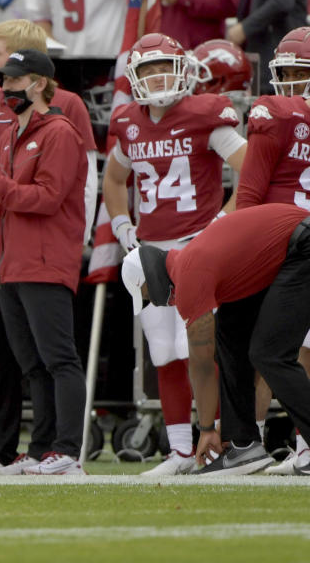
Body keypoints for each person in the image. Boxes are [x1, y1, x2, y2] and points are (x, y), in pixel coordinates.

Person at [0, 18, 98, 476]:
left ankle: (68, 450)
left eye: (13, 79)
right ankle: (40, 450)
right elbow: (7, 200)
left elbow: (49, 198)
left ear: (38, 84)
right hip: (8, 261)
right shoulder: (16, 133)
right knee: (31, 362)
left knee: (58, 358)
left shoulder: (57, 131)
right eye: (2, 79)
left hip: (42, 258)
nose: (4, 87)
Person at [103, 33, 246, 475]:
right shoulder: (128, 121)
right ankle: (181, 452)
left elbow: (252, 170)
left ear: (185, 69)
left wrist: (221, 226)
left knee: (201, 351)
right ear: (135, 76)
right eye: (148, 68)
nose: (158, 75)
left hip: (198, 248)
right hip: (151, 251)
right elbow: (113, 180)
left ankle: (217, 442)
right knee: (163, 352)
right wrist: (122, 225)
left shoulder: (206, 114)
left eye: (166, 64)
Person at [121, 203, 310, 475]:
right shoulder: (193, 261)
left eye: (149, 296)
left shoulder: (187, 272)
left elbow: (201, 364)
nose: (158, 304)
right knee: (230, 334)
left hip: (302, 245)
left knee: (270, 353)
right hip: (295, 244)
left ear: (149, 278)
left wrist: (206, 428)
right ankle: (243, 445)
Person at [235, 27, 310, 474]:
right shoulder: (282, 113)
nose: (290, 85)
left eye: (300, 75)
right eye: (286, 74)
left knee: (275, 350)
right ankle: (299, 446)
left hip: (292, 244)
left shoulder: (276, 115)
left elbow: (249, 193)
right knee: (287, 350)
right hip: (289, 242)